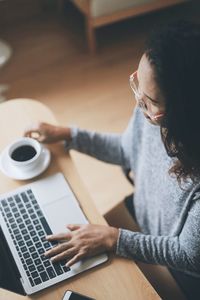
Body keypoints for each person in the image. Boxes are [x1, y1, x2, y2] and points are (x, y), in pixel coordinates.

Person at [24, 21, 200, 299]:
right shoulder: (152, 116)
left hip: (181, 271)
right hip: (141, 221)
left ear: (184, 111)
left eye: (150, 99)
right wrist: (68, 135)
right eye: (137, 83)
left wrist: (114, 239)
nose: (138, 100)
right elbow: (126, 149)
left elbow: (189, 255)